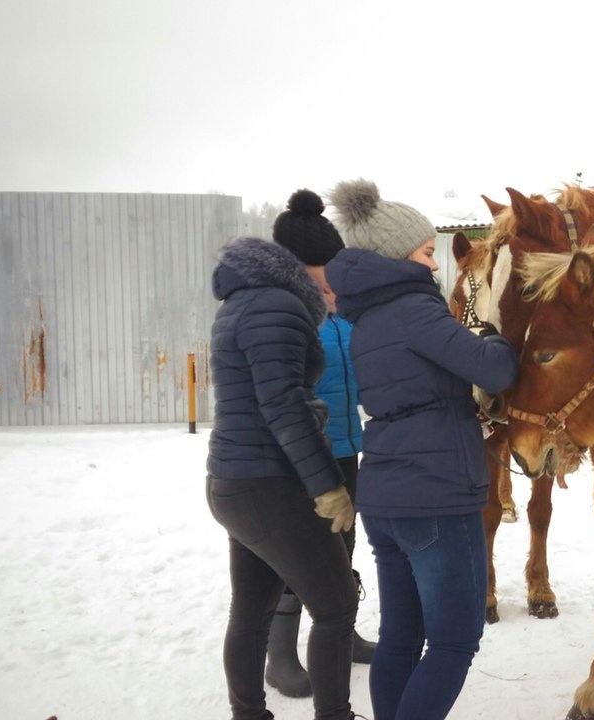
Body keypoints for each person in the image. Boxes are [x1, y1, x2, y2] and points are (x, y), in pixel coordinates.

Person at [325, 178, 517, 720]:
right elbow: (494, 367)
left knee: (402, 639)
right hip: (438, 497)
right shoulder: (415, 309)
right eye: (428, 252)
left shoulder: (363, 319)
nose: (435, 266)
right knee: (455, 642)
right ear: (398, 253)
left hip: (385, 497)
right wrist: (496, 332)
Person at [206, 196, 360, 720]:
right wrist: (327, 486)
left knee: (250, 611)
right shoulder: (280, 306)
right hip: (271, 484)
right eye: (329, 268)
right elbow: (284, 406)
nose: (333, 280)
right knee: (337, 607)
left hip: (234, 479)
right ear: (305, 263)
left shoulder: (242, 301)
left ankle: (249, 714)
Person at [262, 191, 378, 700]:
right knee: (296, 557)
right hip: (296, 458)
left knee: (341, 547)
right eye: (319, 274)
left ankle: (342, 631)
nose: (329, 284)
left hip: (345, 448)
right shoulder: (284, 317)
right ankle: (280, 655)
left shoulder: (341, 316)